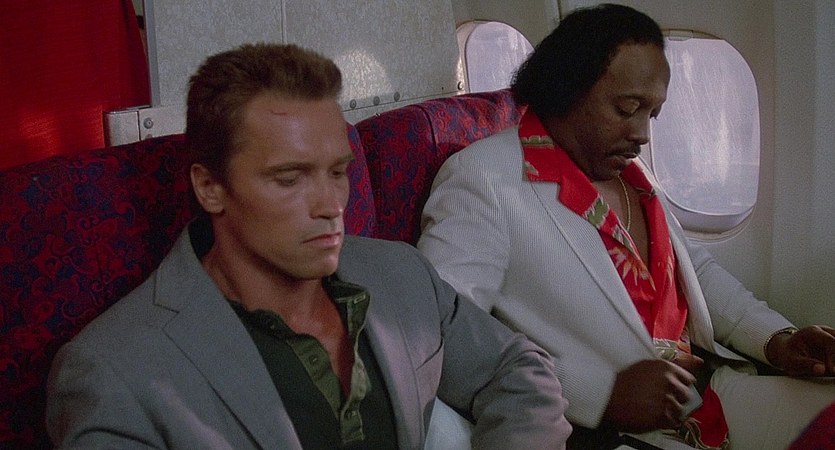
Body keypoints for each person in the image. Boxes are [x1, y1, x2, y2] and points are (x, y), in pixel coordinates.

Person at [45, 43, 572, 449]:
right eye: (289, 178)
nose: (330, 204)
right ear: (210, 188)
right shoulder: (115, 370)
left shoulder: (401, 272)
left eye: (338, 172)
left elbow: (520, 370)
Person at [417, 4, 835, 450]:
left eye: (651, 114)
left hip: (703, 389)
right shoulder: (483, 179)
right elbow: (442, 333)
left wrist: (777, 340)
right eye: (626, 108)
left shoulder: (633, 175)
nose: (642, 134)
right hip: (615, 427)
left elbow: (694, 272)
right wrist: (602, 394)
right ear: (565, 89)